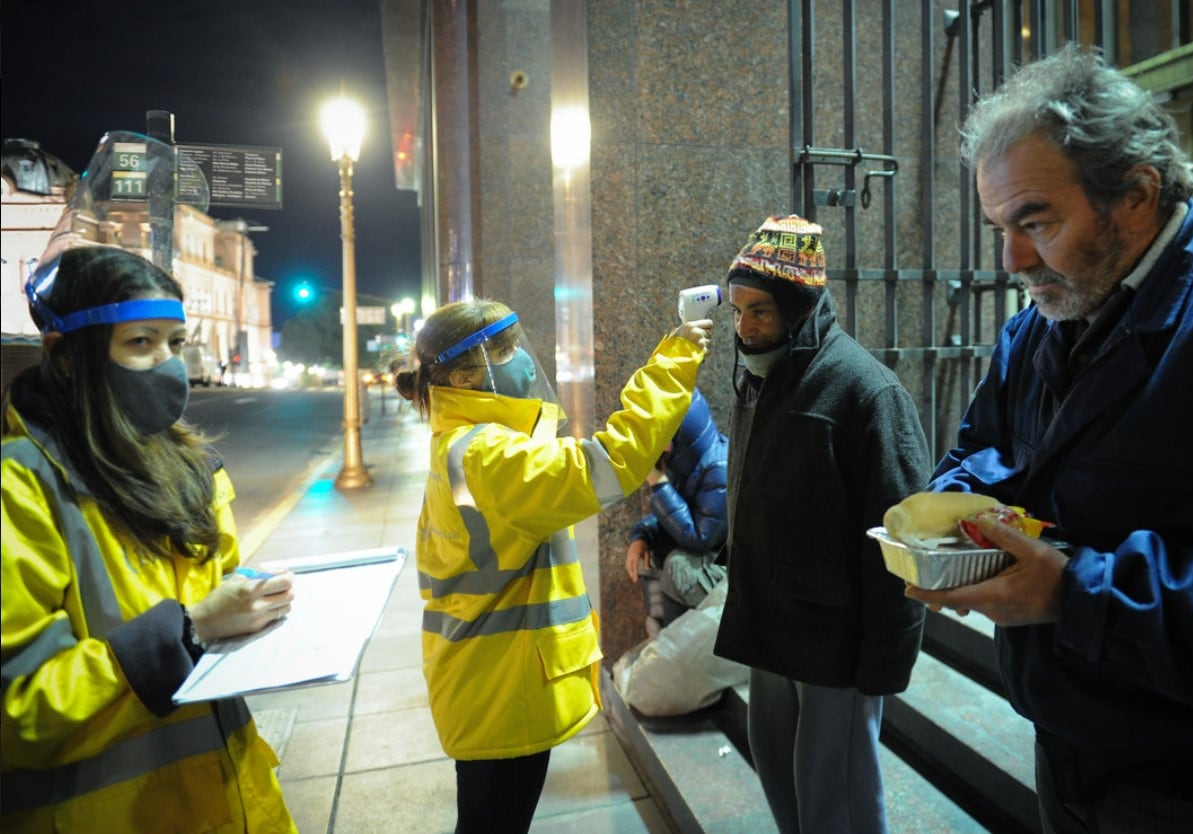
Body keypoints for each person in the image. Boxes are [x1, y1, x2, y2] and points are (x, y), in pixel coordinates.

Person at [906, 45, 1193, 834]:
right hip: (1064, 739)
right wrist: (947, 523)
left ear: (1136, 196)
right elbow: (985, 457)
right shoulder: (1036, 331)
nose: (1010, 259)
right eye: (998, 227)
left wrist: (1072, 592)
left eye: (1033, 222)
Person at [1, 246, 297, 833]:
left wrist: (254, 612)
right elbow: (19, 712)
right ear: (67, 357)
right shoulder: (20, 489)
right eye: (140, 342)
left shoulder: (195, 470)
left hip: (236, 801)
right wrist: (190, 630)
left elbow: (222, 599)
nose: (167, 362)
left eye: (175, 342)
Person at [395, 297, 711, 834]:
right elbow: (609, 465)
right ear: (469, 378)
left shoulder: (472, 447)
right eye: (508, 349)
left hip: (488, 685)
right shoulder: (484, 458)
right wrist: (675, 360)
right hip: (499, 690)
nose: (523, 360)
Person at [712, 214, 933, 833]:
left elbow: (900, 534)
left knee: (838, 803)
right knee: (787, 790)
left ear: (800, 306)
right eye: (736, 310)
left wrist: (886, 660)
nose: (744, 326)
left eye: (761, 310)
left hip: (833, 646)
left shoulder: (865, 392)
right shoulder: (761, 377)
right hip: (770, 632)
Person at [625, 387, 729, 632]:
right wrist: (642, 534)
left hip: (728, 573)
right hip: (711, 559)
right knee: (658, 553)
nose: (663, 448)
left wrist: (659, 484)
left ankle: (672, 644)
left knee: (677, 566)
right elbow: (678, 516)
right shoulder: (690, 461)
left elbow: (701, 537)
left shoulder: (718, 466)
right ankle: (668, 638)